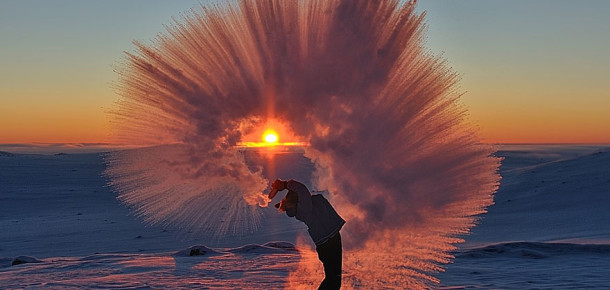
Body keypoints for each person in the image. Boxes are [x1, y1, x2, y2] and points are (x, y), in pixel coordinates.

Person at [268, 179, 345, 290]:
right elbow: (302, 189)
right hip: (329, 242)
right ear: (297, 199)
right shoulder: (304, 208)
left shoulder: (305, 207)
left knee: (332, 279)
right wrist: (285, 185)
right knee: (333, 281)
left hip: (328, 242)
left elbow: (302, 191)